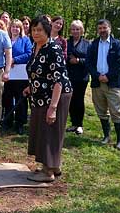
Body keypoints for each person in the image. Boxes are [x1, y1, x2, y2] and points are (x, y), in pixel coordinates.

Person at [23, 16, 72, 182]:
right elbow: (38, 71)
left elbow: (58, 79)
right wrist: (31, 86)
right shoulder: (35, 46)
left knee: (50, 131)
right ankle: (52, 166)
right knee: (42, 131)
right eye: (33, 30)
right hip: (39, 96)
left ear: (47, 31)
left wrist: (53, 107)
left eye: (40, 31)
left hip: (55, 96)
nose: (36, 33)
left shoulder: (54, 48)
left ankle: (48, 172)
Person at [86, 19, 120, 150]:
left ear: (110, 28)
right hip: (97, 83)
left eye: (104, 28)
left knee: (115, 111)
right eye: (100, 28)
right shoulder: (93, 45)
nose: (102, 30)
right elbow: (89, 63)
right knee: (101, 111)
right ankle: (106, 136)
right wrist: (98, 76)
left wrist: (108, 76)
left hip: (113, 83)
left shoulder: (117, 44)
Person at [1, 19, 32, 134]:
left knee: (21, 99)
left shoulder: (25, 40)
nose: (15, 29)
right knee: (7, 98)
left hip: (20, 74)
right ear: (10, 28)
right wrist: (7, 61)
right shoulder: (6, 39)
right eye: (13, 27)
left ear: (21, 29)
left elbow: (29, 54)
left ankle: (20, 123)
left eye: (17, 27)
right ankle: (8, 121)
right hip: (7, 74)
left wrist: (14, 59)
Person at [66, 20, 91, 135]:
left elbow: (91, 60)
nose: (75, 31)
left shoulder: (87, 44)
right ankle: (73, 123)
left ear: (81, 30)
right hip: (68, 76)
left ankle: (79, 124)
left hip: (82, 77)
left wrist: (78, 60)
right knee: (70, 99)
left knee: (79, 100)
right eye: (73, 29)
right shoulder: (67, 42)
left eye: (77, 29)